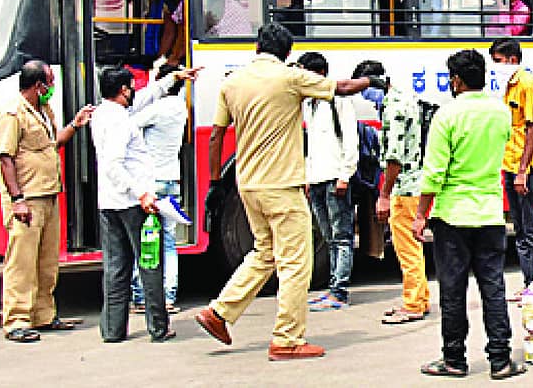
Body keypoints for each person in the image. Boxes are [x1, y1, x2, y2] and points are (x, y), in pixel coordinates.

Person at [194, 23, 384, 361]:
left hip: (248, 184)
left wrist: (212, 183)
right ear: (287, 53)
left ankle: (219, 312)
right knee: (297, 261)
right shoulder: (289, 77)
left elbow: (215, 136)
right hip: (281, 185)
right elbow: (340, 87)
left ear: (256, 47)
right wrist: (373, 81)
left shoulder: (232, 82)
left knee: (264, 253)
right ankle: (287, 338)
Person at [414, 49, 524, 380]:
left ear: (457, 81)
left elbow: (433, 173)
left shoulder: (446, 116)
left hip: (452, 216)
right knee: (493, 287)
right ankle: (501, 360)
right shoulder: (500, 113)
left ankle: (454, 360)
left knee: (453, 290)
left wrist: (421, 214)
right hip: (490, 213)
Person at [90, 65, 195, 343]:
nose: (135, 91)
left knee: (116, 267)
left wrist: (173, 78)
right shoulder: (121, 121)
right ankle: (158, 327)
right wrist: (140, 193)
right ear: (123, 90)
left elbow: (149, 95)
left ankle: (113, 330)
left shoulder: (103, 114)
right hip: (134, 204)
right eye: (131, 87)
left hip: (110, 203)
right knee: (150, 264)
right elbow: (114, 163)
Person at [0, 60, 93, 342]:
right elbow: (6, 158)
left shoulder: (43, 110)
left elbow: (53, 144)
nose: (52, 87)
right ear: (38, 86)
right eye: (49, 82)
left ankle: (43, 314)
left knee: (47, 261)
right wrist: (17, 200)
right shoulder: (12, 113)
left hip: (49, 194)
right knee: (22, 262)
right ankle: (16, 320)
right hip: (27, 199)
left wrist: (75, 124)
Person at [297, 51, 359, 311]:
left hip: (336, 178)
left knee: (342, 236)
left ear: (319, 74)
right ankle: (332, 288)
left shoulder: (339, 101)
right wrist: (309, 178)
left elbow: (350, 141)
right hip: (318, 179)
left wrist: (345, 176)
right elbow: (311, 146)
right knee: (328, 236)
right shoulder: (309, 105)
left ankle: (339, 292)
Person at [489, 37, 533, 297]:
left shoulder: (527, 83)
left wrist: (523, 171)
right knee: (520, 229)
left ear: (512, 59)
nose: (496, 67)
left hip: (528, 169)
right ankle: (530, 284)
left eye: (499, 61)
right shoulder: (510, 85)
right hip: (511, 164)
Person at [129, 63, 189, 314]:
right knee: (168, 241)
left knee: (144, 240)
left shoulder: (157, 109)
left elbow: (129, 120)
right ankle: (169, 296)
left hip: (152, 182)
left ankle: (142, 295)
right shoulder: (181, 109)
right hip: (172, 181)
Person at [375, 64, 431, 324]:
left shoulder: (393, 108)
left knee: (406, 249)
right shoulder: (406, 100)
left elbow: (394, 156)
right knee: (413, 247)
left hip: (405, 187)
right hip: (415, 185)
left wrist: (384, 194)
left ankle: (413, 304)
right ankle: (420, 298)